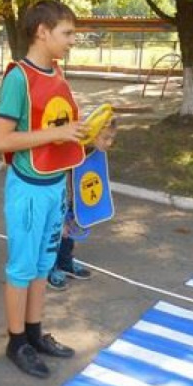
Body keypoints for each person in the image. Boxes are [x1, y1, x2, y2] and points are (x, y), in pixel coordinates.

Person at [0, 0, 86, 378]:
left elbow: (62, 131)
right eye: (67, 34)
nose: (71, 41)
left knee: (43, 266)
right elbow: (2, 141)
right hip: (28, 190)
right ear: (42, 32)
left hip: (53, 188)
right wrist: (58, 133)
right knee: (22, 268)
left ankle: (34, 333)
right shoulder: (18, 78)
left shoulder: (59, 75)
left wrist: (91, 137)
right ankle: (16, 343)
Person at [48, 121, 118, 291]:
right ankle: (49, 270)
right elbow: (58, 187)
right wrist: (59, 219)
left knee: (68, 237)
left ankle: (65, 263)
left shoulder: (91, 155)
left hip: (73, 203)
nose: (109, 143)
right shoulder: (71, 155)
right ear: (92, 134)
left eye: (112, 139)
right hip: (59, 204)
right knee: (54, 237)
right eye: (106, 138)